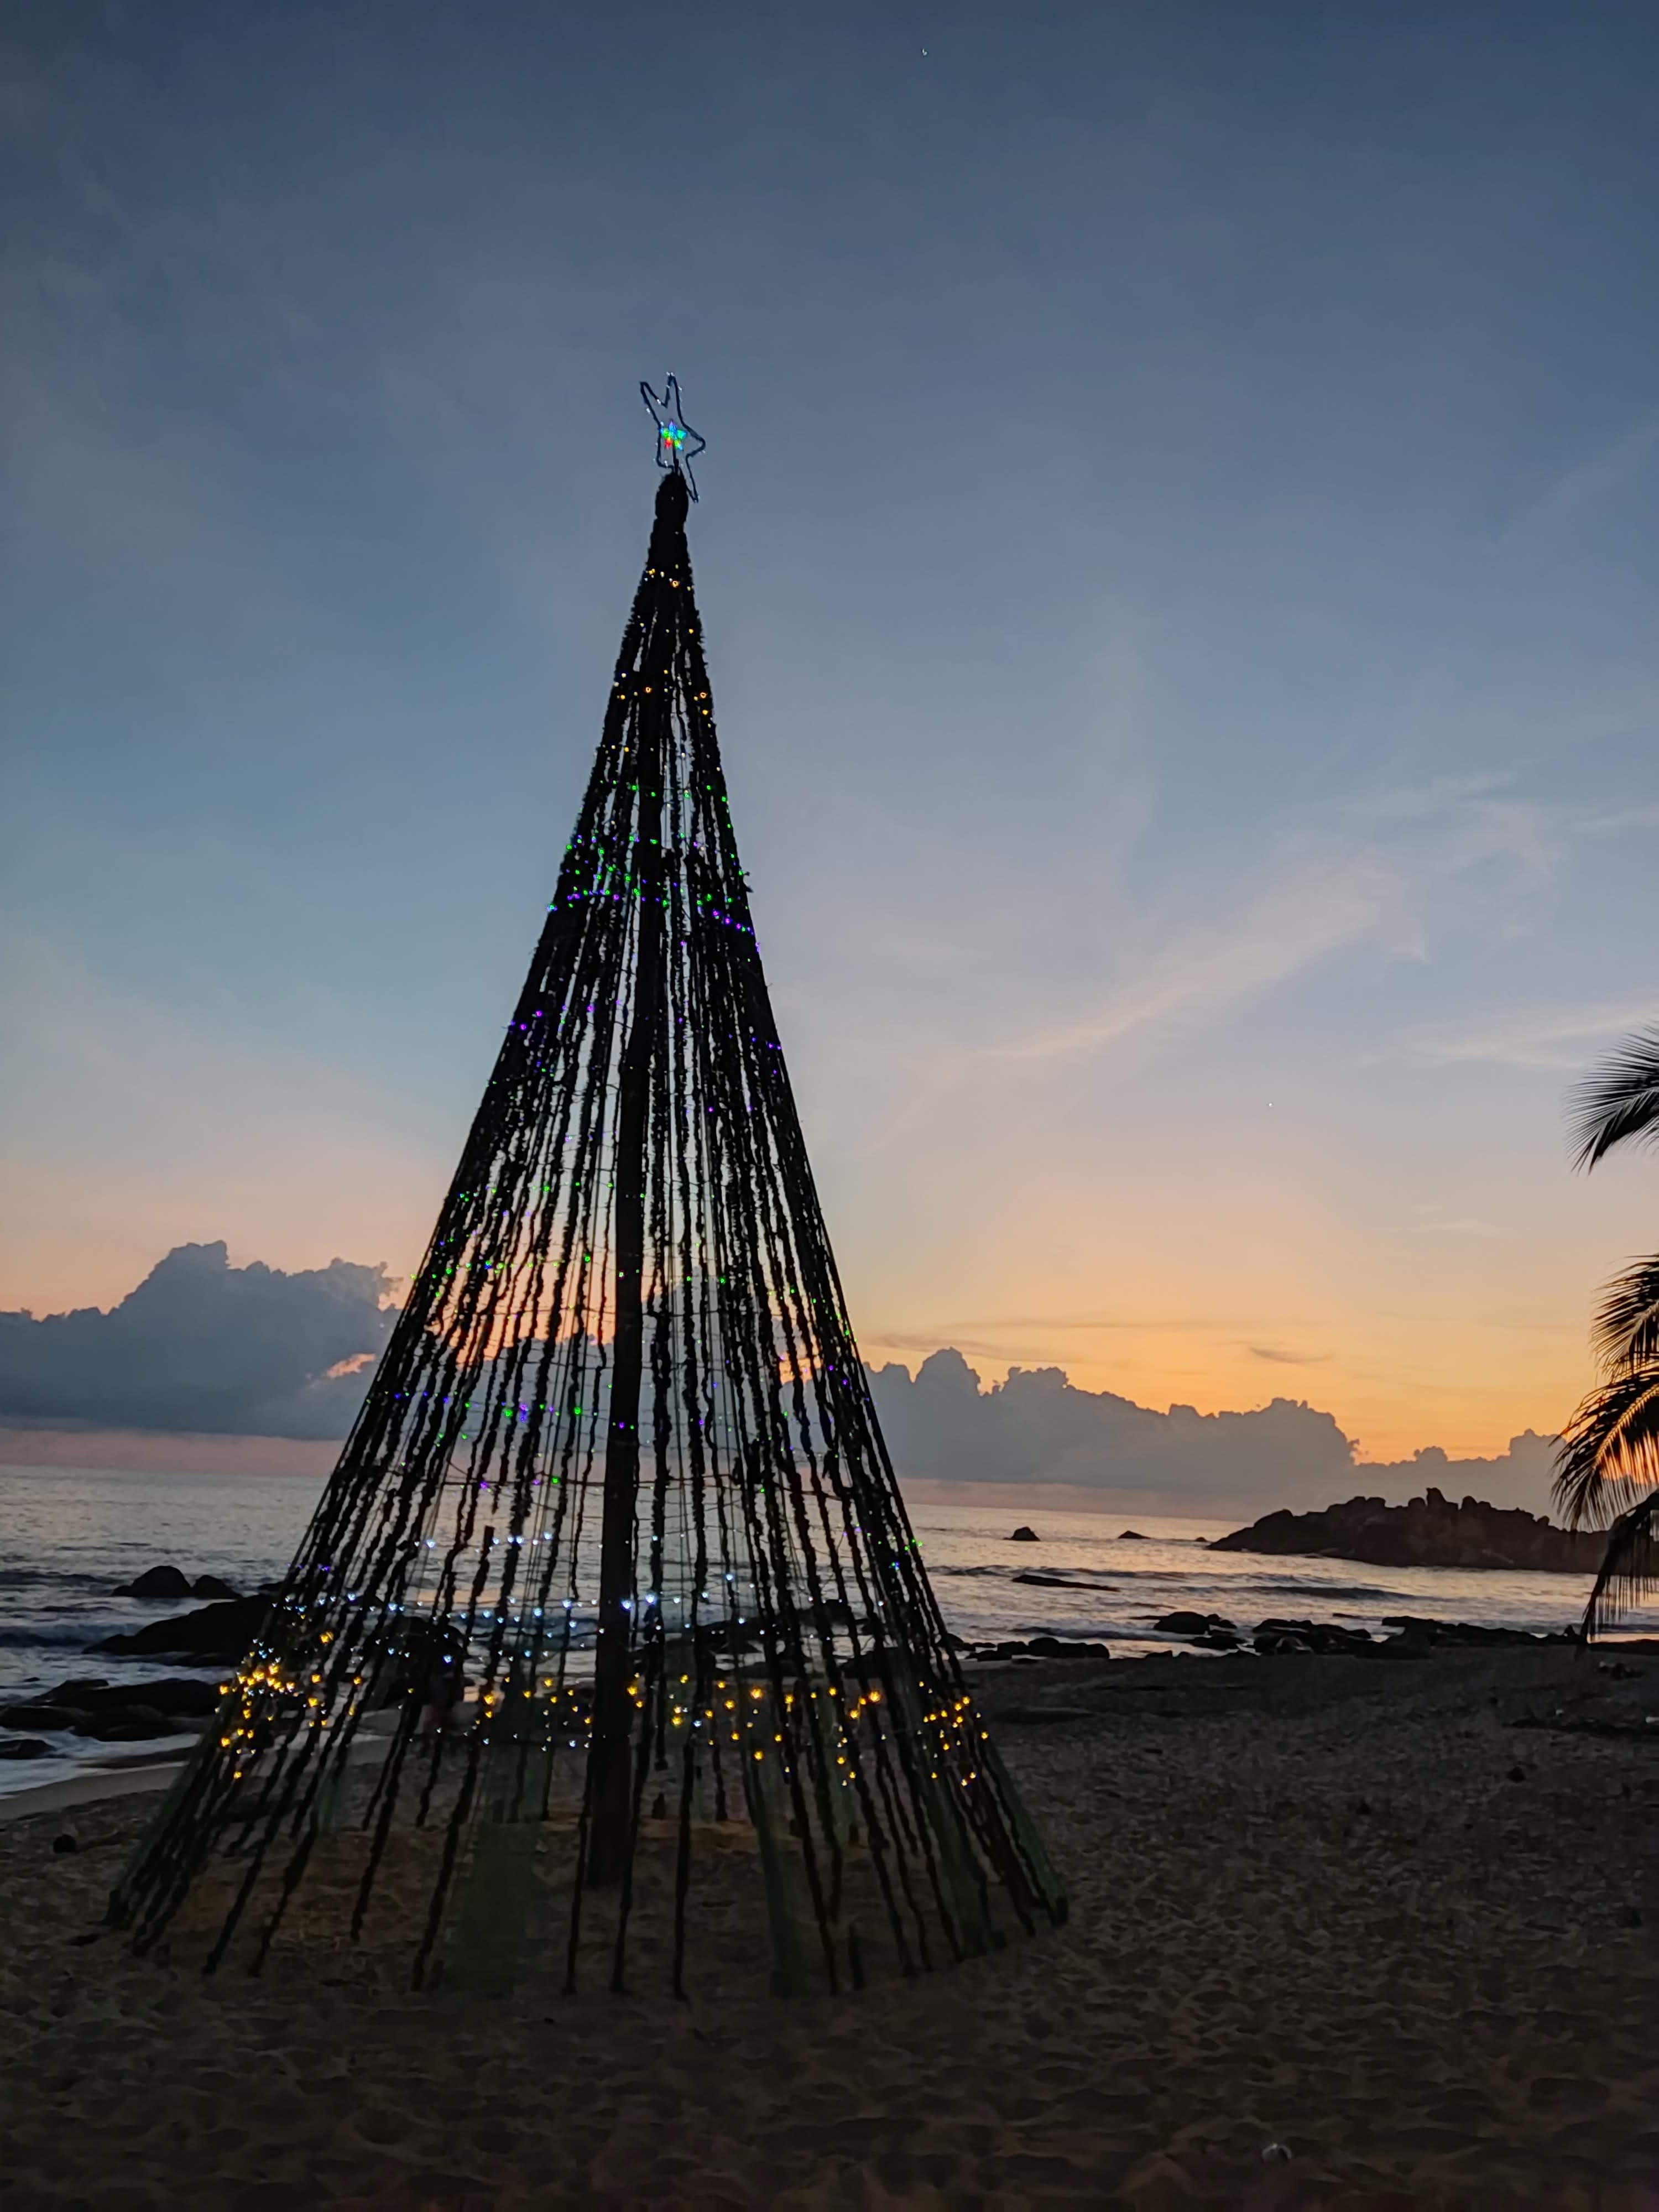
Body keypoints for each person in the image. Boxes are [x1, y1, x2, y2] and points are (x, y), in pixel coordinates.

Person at [416, 1634, 467, 1742]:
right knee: (440, 1708)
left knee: (441, 1708)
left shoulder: (450, 1652)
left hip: (445, 1683)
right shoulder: (448, 1653)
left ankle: (438, 1730)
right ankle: (435, 1731)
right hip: (442, 1682)